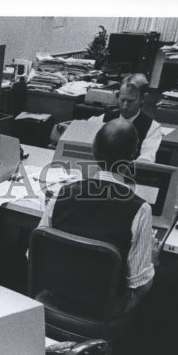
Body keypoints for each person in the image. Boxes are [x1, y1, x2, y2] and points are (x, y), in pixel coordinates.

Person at [44, 118, 156, 314]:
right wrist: (154, 260)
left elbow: (33, 254)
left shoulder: (62, 193)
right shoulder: (140, 209)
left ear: (94, 151)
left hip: (55, 298)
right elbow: (140, 285)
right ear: (132, 156)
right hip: (103, 311)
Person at [87, 73, 162, 163]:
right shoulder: (103, 119)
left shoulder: (152, 128)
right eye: (122, 100)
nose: (125, 106)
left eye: (130, 101)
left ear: (143, 98)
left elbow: (145, 161)